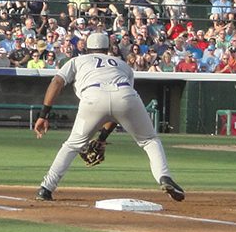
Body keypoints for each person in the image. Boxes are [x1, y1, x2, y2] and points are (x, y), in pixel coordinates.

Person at [33, 31, 184, 202]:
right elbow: (116, 110)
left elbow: (57, 82)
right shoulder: (122, 64)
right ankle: (164, 177)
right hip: (126, 96)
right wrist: (102, 138)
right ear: (107, 48)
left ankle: (46, 188)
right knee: (150, 141)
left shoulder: (77, 60)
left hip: (93, 98)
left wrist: (43, 115)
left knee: (72, 146)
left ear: (87, 48)